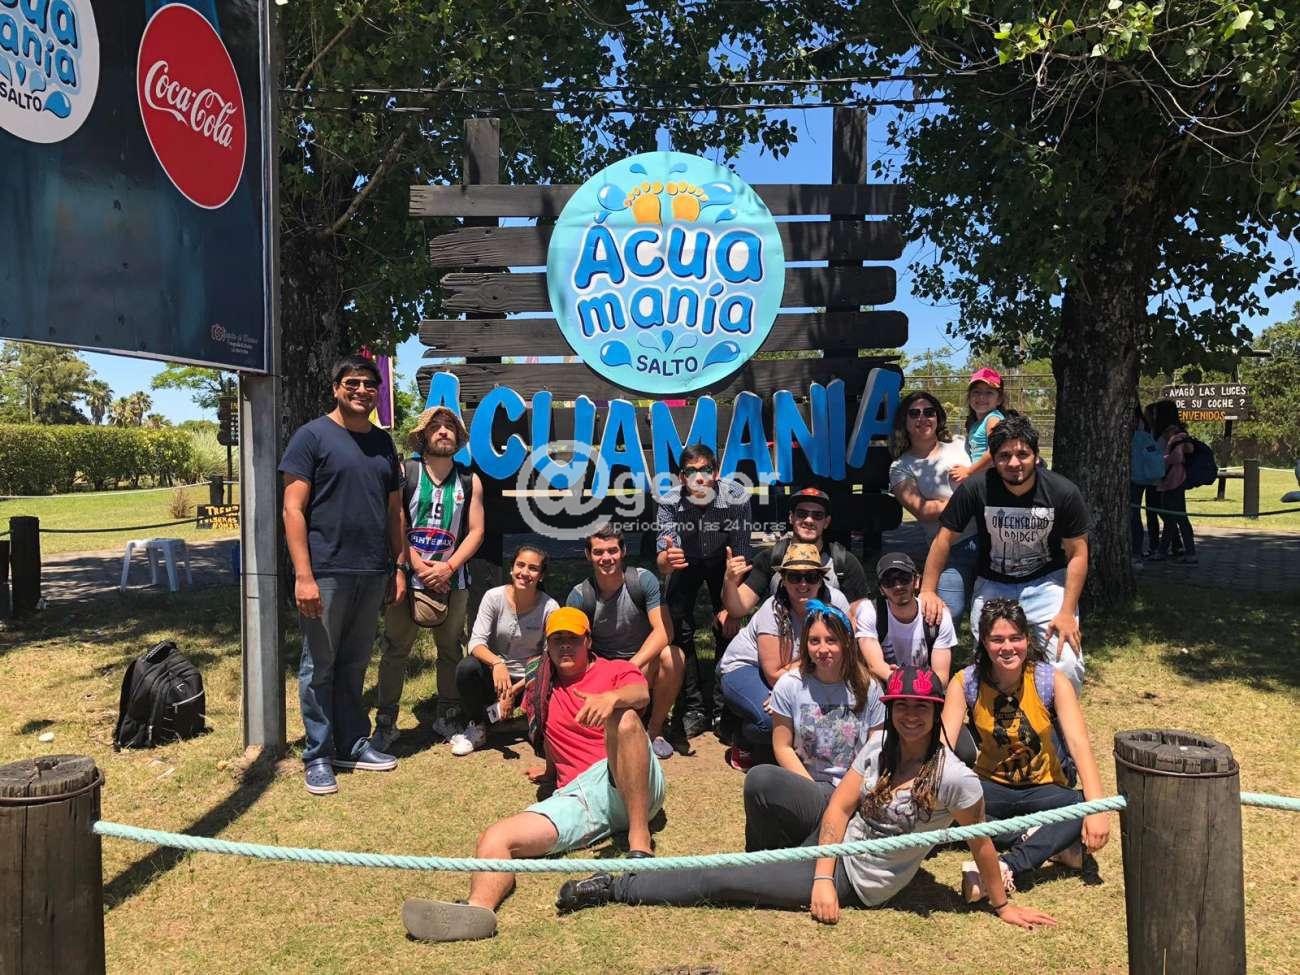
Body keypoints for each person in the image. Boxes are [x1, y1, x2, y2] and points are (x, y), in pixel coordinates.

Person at [555, 665, 1057, 931]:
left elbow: (981, 844)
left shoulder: (955, 779)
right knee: (764, 781)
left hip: (855, 876)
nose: (910, 716)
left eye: (921, 708)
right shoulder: (880, 748)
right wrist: (816, 873)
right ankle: (771, 868)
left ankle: (615, 887)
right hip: (833, 841)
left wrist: (1001, 905)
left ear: (935, 711)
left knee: (720, 876)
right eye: (901, 706)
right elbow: (839, 807)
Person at [402, 608, 666, 943]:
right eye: (557, 640)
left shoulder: (615, 670)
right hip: (580, 797)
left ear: (588, 641)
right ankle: (477, 910)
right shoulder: (541, 686)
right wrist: (551, 770)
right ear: (548, 646)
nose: (565, 646)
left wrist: (612, 698)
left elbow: (641, 694)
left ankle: (640, 845)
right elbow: (551, 735)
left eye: (573, 639)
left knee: (624, 719)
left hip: (631, 778)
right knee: (495, 837)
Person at [280, 355, 408, 795]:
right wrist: (304, 576)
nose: (362, 391)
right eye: (352, 383)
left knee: (354, 664)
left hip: (372, 570)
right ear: (336, 388)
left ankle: (352, 743)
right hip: (326, 571)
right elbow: (292, 509)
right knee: (319, 666)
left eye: (370, 385)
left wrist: (399, 566)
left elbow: (395, 512)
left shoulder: (383, 443)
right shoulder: (311, 437)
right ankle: (317, 754)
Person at [941, 598, 1111, 898]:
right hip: (990, 786)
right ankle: (1044, 839)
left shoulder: (1051, 680)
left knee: (1082, 805)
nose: (1007, 647)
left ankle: (1007, 865)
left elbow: (1079, 743)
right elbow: (943, 746)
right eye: (997, 639)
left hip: (1044, 787)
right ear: (984, 642)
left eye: (1015, 638)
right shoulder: (965, 682)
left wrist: (1096, 809)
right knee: (946, 804)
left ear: (1027, 639)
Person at [918, 414, 1089, 693]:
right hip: (994, 583)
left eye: (1023, 454)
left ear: (1036, 456)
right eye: (1004, 455)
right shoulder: (976, 488)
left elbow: (1077, 553)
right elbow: (943, 539)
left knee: (1066, 663)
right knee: (990, 663)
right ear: (993, 459)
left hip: (1046, 583)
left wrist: (1068, 611)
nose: (1013, 463)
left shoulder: (1062, 492)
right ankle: (994, 716)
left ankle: (1060, 719)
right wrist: (927, 590)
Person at [373, 406, 484, 750]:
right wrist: (419, 567)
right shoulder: (406, 473)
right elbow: (395, 521)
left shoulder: (470, 480)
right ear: (423, 435)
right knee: (396, 649)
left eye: (449, 426)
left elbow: (477, 531)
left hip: (453, 580)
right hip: (406, 577)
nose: (443, 431)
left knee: (450, 648)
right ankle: (386, 722)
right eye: (435, 426)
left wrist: (448, 568)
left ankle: (447, 715)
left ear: (458, 436)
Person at [744, 600, 884, 851]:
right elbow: (782, 746)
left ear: (847, 642)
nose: (822, 649)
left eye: (831, 640)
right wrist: (811, 791)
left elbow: (876, 750)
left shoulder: (869, 687)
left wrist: (846, 798)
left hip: (853, 792)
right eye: (814, 641)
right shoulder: (790, 685)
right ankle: (759, 859)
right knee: (759, 779)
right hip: (807, 785)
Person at [717, 543, 855, 769]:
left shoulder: (836, 602)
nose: (803, 584)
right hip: (747, 667)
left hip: (793, 671)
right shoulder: (772, 610)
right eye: (794, 577)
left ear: (821, 579)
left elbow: (846, 649)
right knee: (773, 719)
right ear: (783, 579)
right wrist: (789, 690)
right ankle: (741, 736)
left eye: (811, 577)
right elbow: (774, 674)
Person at [654, 443, 754, 740]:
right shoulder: (669, 501)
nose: (699, 478)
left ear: (717, 473)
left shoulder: (736, 496)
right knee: (677, 624)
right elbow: (663, 557)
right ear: (681, 477)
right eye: (691, 472)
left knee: (729, 624)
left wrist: (731, 606)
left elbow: (740, 553)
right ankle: (693, 706)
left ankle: (724, 707)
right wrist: (667, 560)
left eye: (706, 470)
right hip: (685, 561)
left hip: (723, 562)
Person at [565, 526, 684, 761]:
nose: (606, 558)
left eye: (612, 550)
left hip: (641, 664)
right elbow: (572, 646)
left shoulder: (642, 580)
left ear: (624, 551)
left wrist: (629, 667)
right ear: (588, 555)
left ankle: (654, 731)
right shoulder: (580, 596)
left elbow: (664, 631)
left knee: (673, 656)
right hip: (602, 671)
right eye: (598, 552)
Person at [451, 544, 559, 756]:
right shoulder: (494, 597)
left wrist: (513, 692)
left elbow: (549, 658)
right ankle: (477, 725)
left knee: (555, 678)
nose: (524, 572)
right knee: (467, 668)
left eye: (533, 568)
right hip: (496, 677)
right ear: (511, 568)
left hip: (528, 680)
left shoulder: (550, 607)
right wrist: (497, 663)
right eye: (520, 565)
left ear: (541, 576)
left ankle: (530, 721)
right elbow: (475, 643)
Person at [888, 390, 977, 621]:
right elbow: (924, 511)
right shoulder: (901, 467)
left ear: (938, 417)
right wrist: (970, 500)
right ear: (904, 422)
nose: (922, 418)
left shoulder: (961, 444)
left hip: (988, 541)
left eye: (929, 412)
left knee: (992, 610)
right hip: (948, 549)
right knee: (948, 613)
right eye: (914, 413)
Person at [856, 553, 957, 685]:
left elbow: (941, 677)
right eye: (889, 582)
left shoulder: (938, 617)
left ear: (916, 581)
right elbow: (875, 665)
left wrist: (912, 687)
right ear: (881, 589)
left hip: (926, 689)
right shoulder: (871, 612)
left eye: (904, 578)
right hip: (885, 686)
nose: (898, 586)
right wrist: (904, 684)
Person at [1149, 414, 1197, 565]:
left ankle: (1189, 553)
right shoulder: (1181, 438)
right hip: (1174, 482)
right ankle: (1164, 551)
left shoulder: (1176, 439)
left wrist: (1161, 459)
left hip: (1174, 482)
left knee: (1179, 518)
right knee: (1171, 520)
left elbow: (1176, 458)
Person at [951, 367, 1006, 484]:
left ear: (999, 399)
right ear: (969, 397)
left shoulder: (993, 419)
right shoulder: (976, 424)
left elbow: (995, 450)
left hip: (992, 479)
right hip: (981, 478)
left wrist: (969, 471)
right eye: (976, 392)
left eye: (989, 392)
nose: (981, 397)